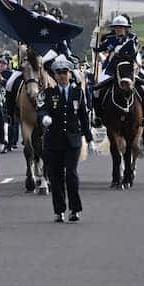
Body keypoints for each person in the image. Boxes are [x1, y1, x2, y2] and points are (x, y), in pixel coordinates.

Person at [38, 57, 97, 223]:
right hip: (54, 141)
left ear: (70, 74)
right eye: (59, 73)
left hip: (72, 140)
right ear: (55, 76)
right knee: (56, 177)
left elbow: (83, 117)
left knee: (71, 174)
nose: (62, 75)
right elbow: (42, 110)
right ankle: (59, 210)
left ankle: (75, 209)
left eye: (65, 72)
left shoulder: (78, 93)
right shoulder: (49, 94)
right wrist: (44, 118)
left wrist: (90, 139)